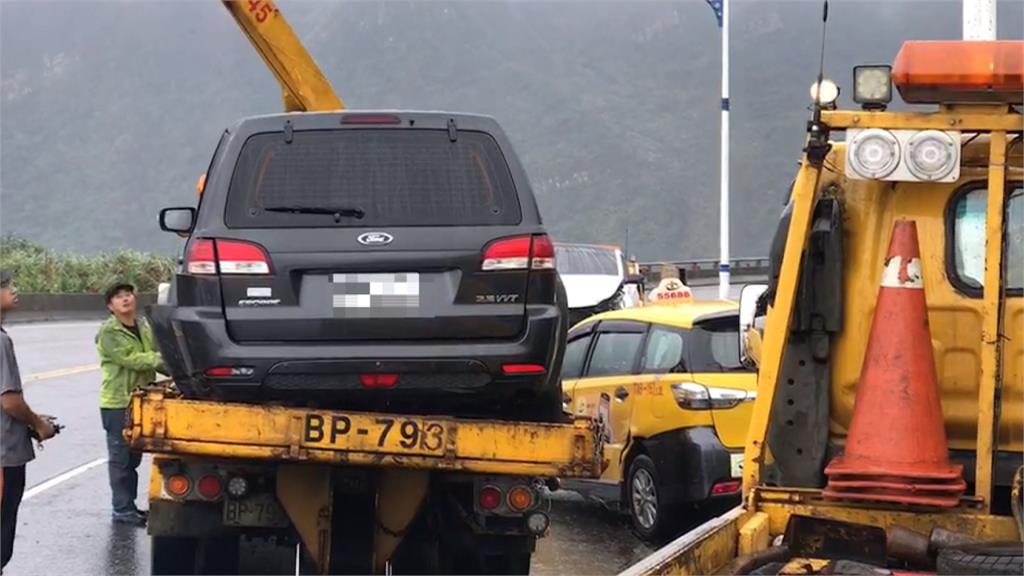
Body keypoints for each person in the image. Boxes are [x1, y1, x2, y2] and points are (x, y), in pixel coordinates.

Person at [96, 282, 165, 526]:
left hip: (141, 401)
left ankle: (129, 506)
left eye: (128, 295)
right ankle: (121, 509)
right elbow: (133, 359)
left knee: (133, 456)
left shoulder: (143, 326)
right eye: (118, 297)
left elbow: (155, 356)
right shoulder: (109, 332)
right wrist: (162, 359)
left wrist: (178, 368)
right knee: (120, 458)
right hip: (118, 402)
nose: (125, 299)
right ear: (110, 306)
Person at [1, 270, 56, 569]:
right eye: (6, 286)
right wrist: (38, 424)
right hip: (4, 458)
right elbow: (9, 402)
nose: (13, 290)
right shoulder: (0, 342)